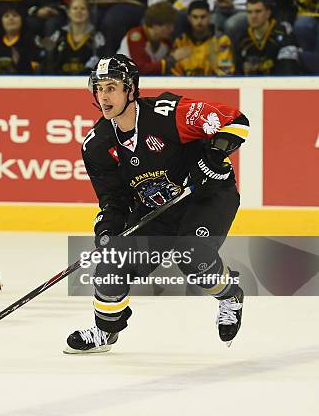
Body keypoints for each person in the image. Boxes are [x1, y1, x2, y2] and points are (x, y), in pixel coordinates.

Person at [65, 54, 248, 353]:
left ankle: (230, 295)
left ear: (131, 89)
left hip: (207, 197)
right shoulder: (97, 144)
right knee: (112, 263)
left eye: (112, 87)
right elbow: (114, 199)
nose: (104, 96)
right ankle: (106, 331)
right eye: (99, 88)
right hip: (157, 210)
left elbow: (236, 122)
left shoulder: (168, 113)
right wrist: (108, 227)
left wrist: (211, 159)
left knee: (192, 255)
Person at [118, 1, 192, 75]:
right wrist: (172, 59)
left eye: (172, 26)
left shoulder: (165, 41)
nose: (172, 29)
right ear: (155, 25)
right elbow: (141, 69)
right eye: (168, 26)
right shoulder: (136, 36)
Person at [237, 0, 301, 75]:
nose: (253, 16)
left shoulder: (282, 32)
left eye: (258, 11)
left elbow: (288, 69)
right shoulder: (243, 39)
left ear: (268, 13)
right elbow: (237, 72)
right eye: (249, 12)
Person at [171, 0, 235, 76]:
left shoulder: (222, 40)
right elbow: (174, 73)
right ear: (189, 18)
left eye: (203, 17)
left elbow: (226, 71)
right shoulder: (181, 41)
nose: (199, 21)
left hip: (213, 85)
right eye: (195, 17)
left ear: (210, 17)